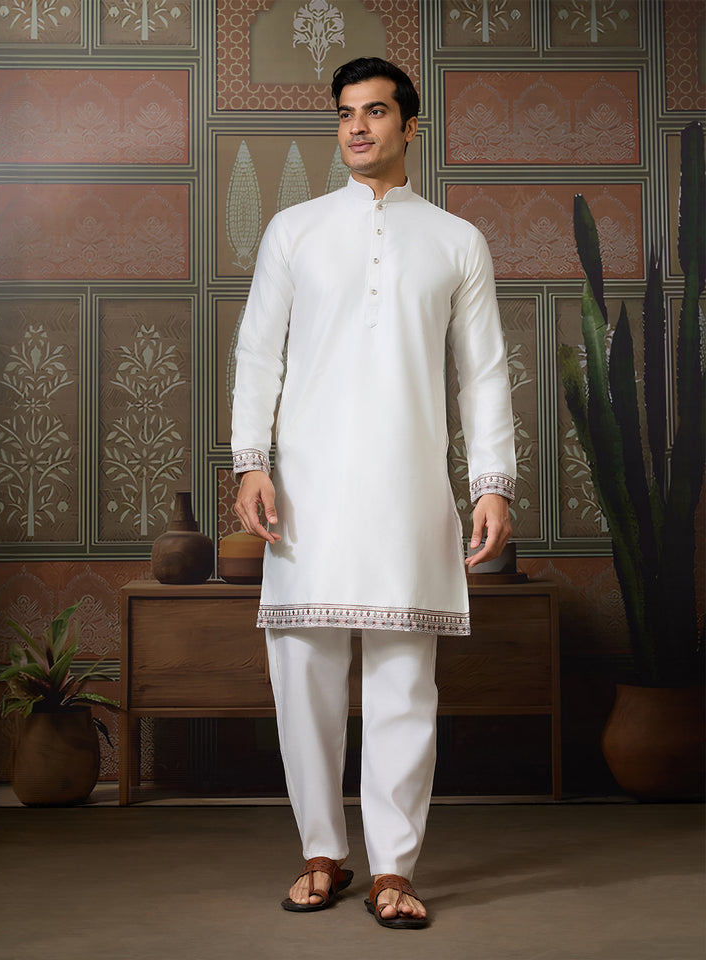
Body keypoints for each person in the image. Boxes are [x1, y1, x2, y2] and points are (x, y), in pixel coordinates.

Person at [231, 57, 516, 929]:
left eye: (376, 111)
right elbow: (258, 352)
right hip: (306, 491)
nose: (357, 127)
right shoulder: (295, 230)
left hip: (408, 488)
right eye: (346, 113)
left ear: (410, 125)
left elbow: (483, 374)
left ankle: (395, 869)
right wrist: (251, 461)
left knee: (404, 684)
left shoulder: (457, 240)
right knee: (304, 679)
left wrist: (492, 483)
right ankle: (322, 852)